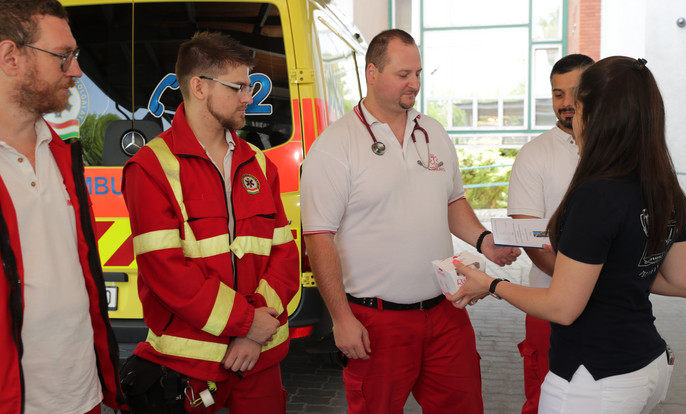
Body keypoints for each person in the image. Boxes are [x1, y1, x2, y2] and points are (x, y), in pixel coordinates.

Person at [449, 56, 686, 414]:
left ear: (598, 116)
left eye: (579, 109)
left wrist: (489, 284)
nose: (573, 119)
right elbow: (682, 282)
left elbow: (563, 308)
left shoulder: (596, 193)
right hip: (648, 363)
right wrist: (608, 271)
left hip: (595, 377)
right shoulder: (664, 185)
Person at [300, 29, 520, 414]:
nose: (414, 84)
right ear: (371, 73)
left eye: (418, 74)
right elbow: (318, 237)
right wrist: (341, 319)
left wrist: (485, 241)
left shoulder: (432, 131)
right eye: (404, 75)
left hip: (446, 312)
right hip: (376, 322)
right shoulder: (335, 145)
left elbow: (452, 201)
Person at [121, 31, 299, 413]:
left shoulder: (259, 162)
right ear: (199, 87)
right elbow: (166, 273)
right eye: (238, 87)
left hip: (259, 359)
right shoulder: (150, 167)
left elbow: (284, 255)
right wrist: (246, 321)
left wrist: (253, 332)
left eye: (248, 86)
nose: (249, 98)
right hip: (190, 367)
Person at [0, 1, 124, 413]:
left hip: (81, 393)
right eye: (63, 56)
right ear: (10, 57)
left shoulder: (62, 153)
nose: (77, 71)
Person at [506, 53, 594, 414]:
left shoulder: (620, 150)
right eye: (558, 94)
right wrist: (584, 282)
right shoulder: (534, 155)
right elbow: (531, 240)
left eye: (575, 92)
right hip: (548, 303)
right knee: (544, 399)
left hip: (613, 310)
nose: (566, 103)